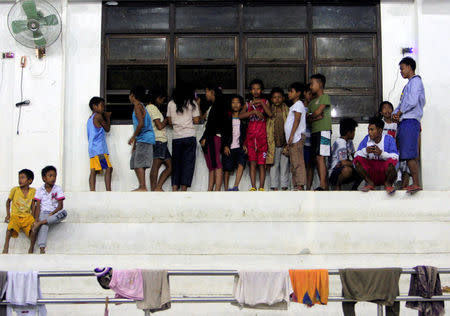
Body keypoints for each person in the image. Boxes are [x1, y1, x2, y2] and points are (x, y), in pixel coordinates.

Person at [392, 57, 425, 194]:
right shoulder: (408, 85)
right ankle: (411, 183)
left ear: (410, 67)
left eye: (402, 68)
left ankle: (416, 183)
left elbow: (411, 101)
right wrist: (395, 113)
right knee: (405, 154)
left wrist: (400, 112)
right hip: (405, 121)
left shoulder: (416, 81)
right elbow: (402, 104)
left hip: (410, 121)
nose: (401, 71)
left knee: (410, 154)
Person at [239, 79, 272, 191]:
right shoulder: (248, 104)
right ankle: (253, 187)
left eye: (258, 88)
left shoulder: (265, 102)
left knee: (261, 164)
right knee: (252, 163)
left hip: (262, 138)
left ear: (261, 90)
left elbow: (270, 114)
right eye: (253, 89)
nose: (256, 91)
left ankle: (261, 187)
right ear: (250, 91)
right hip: (250, 138)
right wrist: (253, 111)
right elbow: (240, 115)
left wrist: (262, 103)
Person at [167, 86, 201, 191]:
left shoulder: (171, 104)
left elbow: (169, 122)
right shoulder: (192, 103)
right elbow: (196, 121)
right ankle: (183, 189)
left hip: (177, 137)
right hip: (189, 136)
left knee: (176, 164)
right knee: (188, 164)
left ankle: (174, 188)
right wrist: (198, 104)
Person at [354, 117, 399, 194]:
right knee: (357, 160)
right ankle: (370, 183)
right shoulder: (367, 139)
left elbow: (395, 156)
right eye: (368, 129)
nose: (369, 132)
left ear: (380, 131)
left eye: (372, 130)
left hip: (385, 170)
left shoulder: (389, 139)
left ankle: (388, 184)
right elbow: (356, 155)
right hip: (372, 171)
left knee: (393, 162)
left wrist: (381, 153)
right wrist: (365, 151)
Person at [33, 166, 68, 254]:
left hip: (55, 213)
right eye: (50, 176)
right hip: (43, 213)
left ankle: (41, 223)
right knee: (45, 225)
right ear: (44, 178)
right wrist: (36, 219)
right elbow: (37, 207)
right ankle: (42, 247)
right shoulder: (40, 190)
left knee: (64, 213)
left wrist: (52, 213)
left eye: (55, 176)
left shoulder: (58, 189)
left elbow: (60, 206)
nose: (53, 178)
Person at [200, 85, 228, 191]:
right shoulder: (213, 106)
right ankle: (210, 189)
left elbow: (212, 125)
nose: (205, 94)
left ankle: (216, 190)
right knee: (211, 165)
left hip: (214, 137)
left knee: (216, 163)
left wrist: (205, 137)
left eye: (206, 92)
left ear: (212, 92)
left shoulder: (218, 106)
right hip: (211, 137)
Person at [2, 169, 37, 254]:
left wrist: (34, 217)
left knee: (34, 229)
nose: (20, 180)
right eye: (19, 178)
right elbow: (8, 202)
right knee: (10, 228)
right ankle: (6, 247)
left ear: (30, 180)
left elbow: (33, 205)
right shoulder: (15, 189)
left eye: (22, 178)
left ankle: (31, 248)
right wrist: (8, 214)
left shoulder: (33, 191)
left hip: (27, 216)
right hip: (15, 215)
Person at [128, 86, 156, 192]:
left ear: (132, 95)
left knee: (139, 162)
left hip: (145, 138)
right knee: (135, 162)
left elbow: (140, 124)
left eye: (130, 95)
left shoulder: (137, 106)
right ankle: (141, 185)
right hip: (141, 139)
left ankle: (143, 186)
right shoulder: (140, 106)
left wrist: (133, 137)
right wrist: (135, 143)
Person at [307, 73, 332, 191]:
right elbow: (309, 117)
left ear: (320, 84)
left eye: (312, 84)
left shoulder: (324, 97)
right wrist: (314, 116)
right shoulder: (311, 102)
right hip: (314, 132)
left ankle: (323, 185)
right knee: (317, 158)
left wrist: (314, 116)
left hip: (325, 131)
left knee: (321, 157)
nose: (311, 86)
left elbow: (317, 112)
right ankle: (324, 185)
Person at [284, 82, 307, 191]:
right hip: (293, 139)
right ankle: (296, 185)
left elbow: (297, 120)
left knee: (298, 161)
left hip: (296, 138)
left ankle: (300, 184)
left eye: (291, 91)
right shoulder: (294, 105)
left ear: (298, 93)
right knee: (293, 163)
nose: (289, 93)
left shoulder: (298, 104)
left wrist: (291, 135)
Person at [222, 95, 248, 191]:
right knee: (227, 168)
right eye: (233, 102)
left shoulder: (243, 120)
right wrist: (225, 145)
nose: (235, 104)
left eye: (238, 102)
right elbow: (224, 134)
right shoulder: (227, 118)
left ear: (241, 105)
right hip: (229, 147)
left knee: (241, 163)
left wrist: (245, 144)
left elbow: (246, 133)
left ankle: (236, 186)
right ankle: (225, 189)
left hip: (240, 146)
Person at [266, 87, 290, 191]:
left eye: (279, 97)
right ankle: (274, 187)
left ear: (283, 98)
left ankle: (284, 187)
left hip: (285, 143)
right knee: (274, 166)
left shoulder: (288, 110)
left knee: (284, 167)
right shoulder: (269, 110)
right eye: (274, 97)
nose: (277, 99)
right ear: (271, 99)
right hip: (273, 143)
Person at [87, 96, 113, 191]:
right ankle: (108, 191)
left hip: (92, 149)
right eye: (101, 106)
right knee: (108, 168)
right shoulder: (98, 116)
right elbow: (107, 129)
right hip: (99, 150)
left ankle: (92, 191)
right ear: (94, 106)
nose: (103, 108)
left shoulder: (90, 118)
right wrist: (107, 117)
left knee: (93, 170)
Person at [328, 118, 361, 191]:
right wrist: (354, 163)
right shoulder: (341, 142)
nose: (354, 134)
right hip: (334, 172)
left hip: (342, 167)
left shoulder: (349, 142)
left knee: (362, 169)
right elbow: (343, 162)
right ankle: (337, 185)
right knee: (347, 170)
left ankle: (354, 189)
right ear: (349, 132)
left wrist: (358, 162)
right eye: (354, 131)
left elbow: (355, 156)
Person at [146, 99, 172, 192]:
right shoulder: (152, 108)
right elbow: (159, 126)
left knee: (170, 166)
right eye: (161, 99)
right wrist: (167, 119)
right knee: (156, 165)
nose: (162, 102)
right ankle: (154, 189)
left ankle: (158, 187)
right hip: (159, 140)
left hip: (161, 141)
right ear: (157, 98)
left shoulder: (148, 108)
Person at [303, 85, 314, 190]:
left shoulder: (314, 107)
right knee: (302, 165)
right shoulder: (300, 106)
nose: (311, 96)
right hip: (302, 141)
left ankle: (308, 188)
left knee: (310, 165)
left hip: (311, 140)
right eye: (309, 94)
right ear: (304, 93)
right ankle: (300, 186)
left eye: (312, 94)